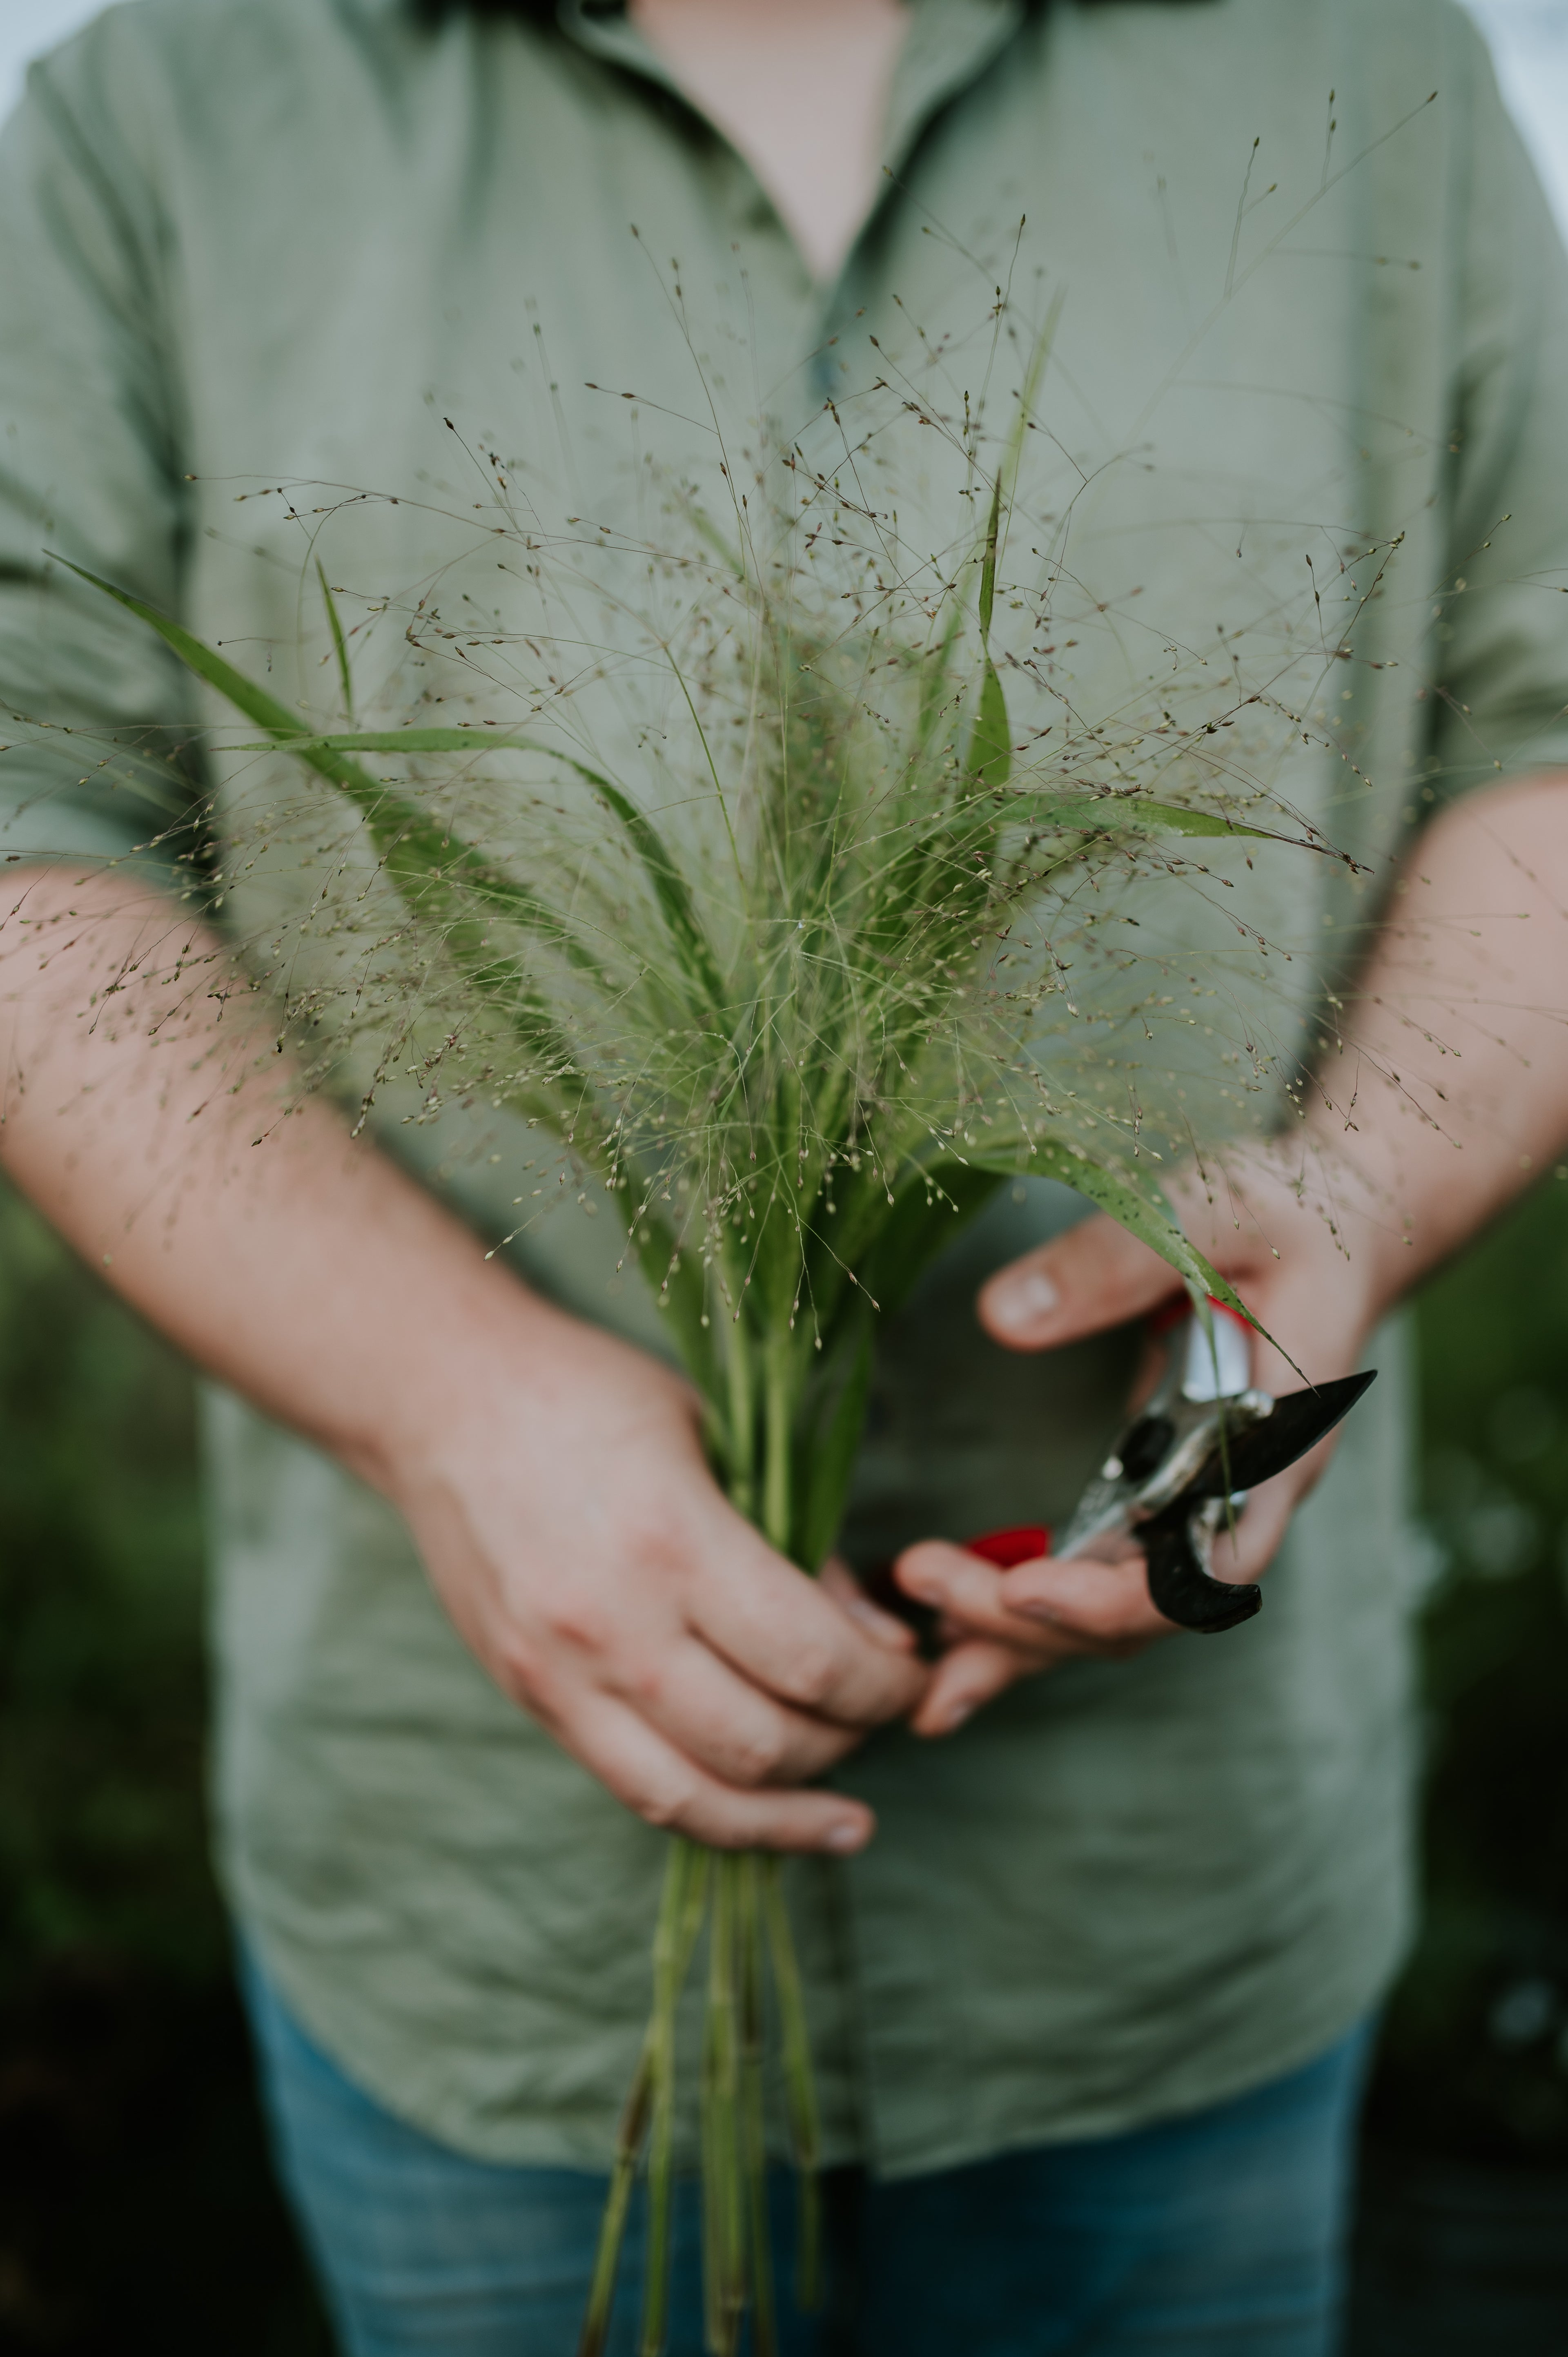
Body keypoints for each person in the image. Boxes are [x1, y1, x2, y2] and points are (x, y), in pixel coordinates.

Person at [1, 1, 1566, 2350]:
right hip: (488, 1917)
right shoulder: (175, 103)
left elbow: (1545, 741)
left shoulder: (1363, 66)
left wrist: (1352, 1200)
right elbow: (33, 825)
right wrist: (450, 1394)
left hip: (1166, 1905)